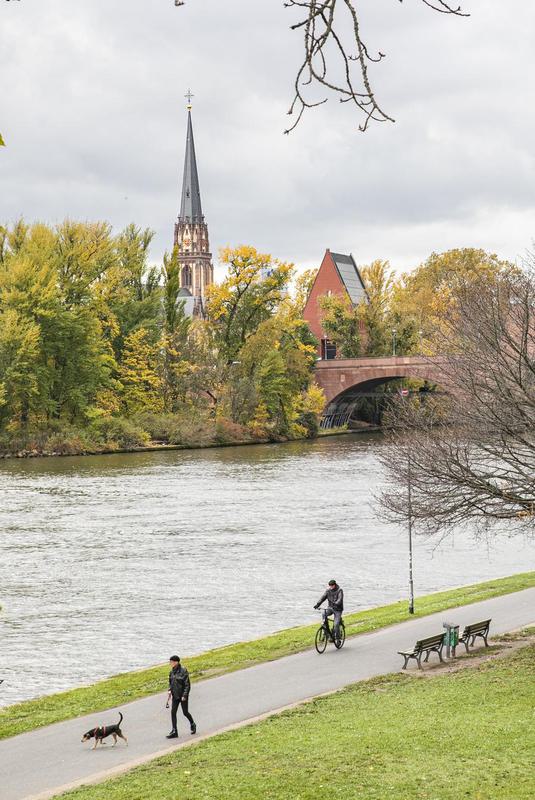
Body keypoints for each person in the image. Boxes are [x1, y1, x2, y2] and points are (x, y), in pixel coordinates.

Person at [165, 655, 196, 738]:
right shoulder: (171, 672)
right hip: (175, 696)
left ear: (176, 662)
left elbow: (187, 685)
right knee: (173, 712)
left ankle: (192, 724)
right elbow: (171, 683)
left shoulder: (183, 671)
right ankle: (174, 731)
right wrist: (169, 690)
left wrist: (185, 695)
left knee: (185, 712)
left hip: (182, 696)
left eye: (171, 662)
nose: (170, 663)